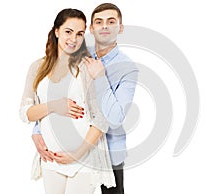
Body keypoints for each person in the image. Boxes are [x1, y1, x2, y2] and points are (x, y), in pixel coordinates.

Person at [32, 3, 139, 194]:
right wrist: (37, 129)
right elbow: (56, 92)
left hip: (108, 153)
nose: (104, 26)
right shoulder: (76, 52)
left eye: (111, 21)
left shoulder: (127, 68)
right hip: (69, 147)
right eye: (99, 22)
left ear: (120, 28)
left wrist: (100, 78)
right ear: (91, 29)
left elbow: (115, 118)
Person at [19, 8, 115, 194]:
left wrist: (77, 153)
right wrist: (55, 105)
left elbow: (101, 119)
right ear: (56, 31)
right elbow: (26, 112)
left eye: (79, 34)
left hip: (83, 158)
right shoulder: (37, 67)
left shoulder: (88, 68)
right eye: (68, 32)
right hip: (52, 158)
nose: (74, 39)